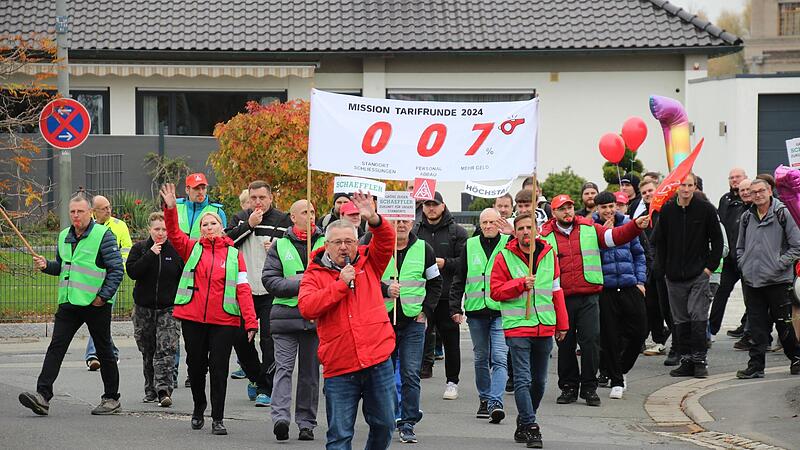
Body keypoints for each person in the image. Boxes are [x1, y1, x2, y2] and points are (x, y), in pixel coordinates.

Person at [298, 191, 397, 450]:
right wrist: (340, 285)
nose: (344, 247)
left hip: (377, 361)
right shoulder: (314, 273)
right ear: (327, 244)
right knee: (339, 435)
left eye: (349, 241)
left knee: (385, 425)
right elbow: (307, 307)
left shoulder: (370, 261)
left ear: (357, 242)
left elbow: (386, 240)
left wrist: (374, 218)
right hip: (340, 366)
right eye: (338, 242)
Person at [160, 183, 257, 435]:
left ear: (221, 227)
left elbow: (243, 290)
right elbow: (173, 233)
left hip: (223, 320)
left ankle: (218, 417)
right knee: (195, 366)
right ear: (200, 230)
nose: (208, 227)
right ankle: (198, 406)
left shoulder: (235, 255)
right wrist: (170, 209)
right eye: (204, 224)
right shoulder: (192, 247)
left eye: (213, 223)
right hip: (193, 318)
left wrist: (250, 321)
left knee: (219, 368)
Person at [539, 194, 649, 407]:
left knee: (591, 342)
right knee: (566, 344)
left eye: (570, 207)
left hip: (589, 295)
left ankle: (589, 387)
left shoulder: (590, 227)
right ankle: (569, 387)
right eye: (562, 209)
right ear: (554, 213)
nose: (568, 212)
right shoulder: (544, 235)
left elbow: (615, 237)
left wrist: (635, 226)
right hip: (561, 298)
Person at [20, 194, 124, 416]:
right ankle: (42, 396)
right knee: (56, 347)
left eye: (80, 211)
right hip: (69, 302)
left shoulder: (103, 235)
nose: (76, 216)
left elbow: (116, 270)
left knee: (104, 349)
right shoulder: (64, 236)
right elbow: (64, 266)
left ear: (90, 213)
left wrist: (102, 297)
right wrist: (46, 265)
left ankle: (111, 398)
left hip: (96, 304)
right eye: (72, 212)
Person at [490, 212, 568, 449]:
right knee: (523, 379)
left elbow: (556, 290)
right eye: (521, 228)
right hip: (518, 328)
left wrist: (562, 323)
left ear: (536, 230)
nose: (525, 231)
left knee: (540, 382)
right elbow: (495, 291)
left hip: (544, 326)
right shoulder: (504, 257)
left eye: (529, 227)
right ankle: (532, 426)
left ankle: (524, 419)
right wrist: (520, 284)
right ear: (515, 231)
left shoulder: (548, 254)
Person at [262, 199, 323, 442]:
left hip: (315, 317)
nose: (310, 216)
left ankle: (306, 422)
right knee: (284, 370)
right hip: (285, 318)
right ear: (293, 217)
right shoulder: (280, 245)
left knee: (309, 374)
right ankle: (280, 419)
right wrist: (301, 283)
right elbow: (270, 280)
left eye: (313, 212)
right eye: (304, 212)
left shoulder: (325, 244)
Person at [226, 180, 292, 407]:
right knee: (240, 339)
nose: (257, 202)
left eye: (262, 198)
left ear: (271, 198)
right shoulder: (240, 218)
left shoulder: (283, 220)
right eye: (253, 198)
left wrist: (278, 246)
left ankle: (267, 387)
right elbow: (228, 242)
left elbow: (293, 248)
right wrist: (249, 225)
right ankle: (255, 377)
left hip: (271, 289)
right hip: (245, 289)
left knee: (269, 340)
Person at [654, 173, 723, 378]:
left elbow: (717, 241)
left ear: (695, 187)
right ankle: (686, 360)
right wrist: (664, 269)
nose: (685, 189)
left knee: (698, 317)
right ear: (677, 187)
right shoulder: (667, 210)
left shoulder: (706, 209)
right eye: (682, 185)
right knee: (680, 320)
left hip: (698, 274)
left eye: (690, 185)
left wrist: (709, 268)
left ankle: (700, 360)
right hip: (673, 276)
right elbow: (661, 241)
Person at [382, 218, 442, 443]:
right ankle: (388, 418)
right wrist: (385, 289)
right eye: (396, 220)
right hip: (383, 320)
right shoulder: (378, 245)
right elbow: (365, 278)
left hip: (413, 322)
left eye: (405, 220)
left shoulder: (423, 248)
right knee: (384, 375)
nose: (401, 225)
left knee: (410, 374)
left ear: (412, 223)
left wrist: (426, 311)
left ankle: (408, 422)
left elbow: (436, 283)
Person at [735, 179, 800, 378]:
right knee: (756, 325)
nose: (757, 195)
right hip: (752, 281)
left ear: (769, 191)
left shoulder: (783, 213)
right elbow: (740, 247)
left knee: (783, 323)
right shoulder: (747, 217)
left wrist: (778, 264)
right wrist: (744, 264)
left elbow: (797, 245)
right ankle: (756, 366)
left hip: (778, 281)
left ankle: (796, 358)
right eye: (753, 192)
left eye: (761, 191)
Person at [450, 208, 509, 424]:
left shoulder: (508, 244)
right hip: (476, 312)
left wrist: (512, 233)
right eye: (484, 222)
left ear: (499, 223)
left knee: (500, 359)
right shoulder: (470, 245)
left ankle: (496, 402)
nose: (488, 226)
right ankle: (484, 399)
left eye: (492, 222)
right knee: (480, 358)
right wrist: (455, 308)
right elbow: (460, 277)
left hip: (502, 310)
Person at [592, 192, 648, 399]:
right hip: (605, 289)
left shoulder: (628, 224)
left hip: (629, 285)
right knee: (610, 337)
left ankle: (622, 369)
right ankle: (616, 379)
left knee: (640, 331)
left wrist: (640, 281)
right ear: (597, 209)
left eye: (611, 206)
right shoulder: (591, 229)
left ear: (617, 206)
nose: (607, 211)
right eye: (603, 207)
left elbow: (639, 255)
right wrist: (601, 238)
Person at [414, 191, 468, 398]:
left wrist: (445, 263)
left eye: (434, 204)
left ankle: (452, 382)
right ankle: (418, 376)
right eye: (427, 205)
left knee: (451, 341)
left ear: (443, 206)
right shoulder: (416, 230)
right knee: (419, 339)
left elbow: (463, 264)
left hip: (447, 296)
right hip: (423, 296)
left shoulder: (457, 232)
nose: (431, 208)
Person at [127, 211, 183, 407]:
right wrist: (151, 254)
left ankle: (164, 390)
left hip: (168, 309)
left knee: (166, 349)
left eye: (164, 229)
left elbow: (183, 277)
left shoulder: (175, 251)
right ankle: (150, 388)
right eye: (157, 229)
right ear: (149, 230)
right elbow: (132, 272)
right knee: (148, 349)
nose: (161, 233)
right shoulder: (140, 249)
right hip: (144, 308)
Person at [84, 194, 131, 370]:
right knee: (97, 318)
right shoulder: (89, 228)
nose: (109, 210)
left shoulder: (120, 226)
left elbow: (127, 250)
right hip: (91, 280)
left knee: (100, 316)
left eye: (109, 206)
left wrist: (119, 271)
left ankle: (93, 355)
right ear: (94, 211)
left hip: (111, 279)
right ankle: (111, 352)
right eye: (104, 208)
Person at [710, 169, 748, 337]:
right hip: (729, 258)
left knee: (751, 296)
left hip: (745, 257)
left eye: (737, 177)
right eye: (731, 177)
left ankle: (746, 327)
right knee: (721, 292)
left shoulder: (749, 200)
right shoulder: (724, 199)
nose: (734, 180)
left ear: (745, 178)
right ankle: (711, 329)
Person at [638, 180, 670, 357]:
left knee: (668, 308)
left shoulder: (667, 211)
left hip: (665, 268)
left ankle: (679, 344)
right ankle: (659, 340)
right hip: (649, 268)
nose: (648, 194)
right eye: (644, 192)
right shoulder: (643, 215)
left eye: (650, 190)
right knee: (652, 307)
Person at [176, 172, 227, 239]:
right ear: (187, 190)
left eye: (203, 188)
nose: (201, 192)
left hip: (205, 249)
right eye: (196, 188)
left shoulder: (217, 211)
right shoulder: (176, 206)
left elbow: (224, 238)